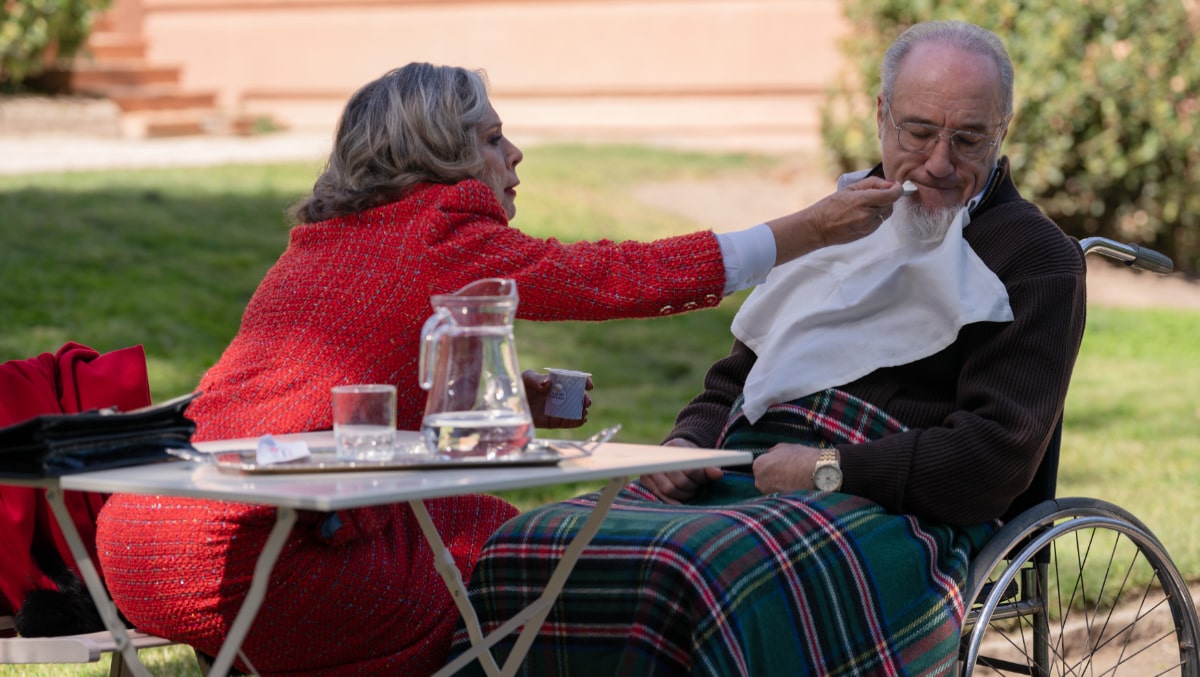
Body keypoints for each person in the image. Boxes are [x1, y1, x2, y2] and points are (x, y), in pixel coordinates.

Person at [92, 63, 902, 675]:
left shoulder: (320, 242)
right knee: (536, 569)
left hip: (135, 541)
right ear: (439, 155)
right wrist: (812, 227)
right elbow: (626, 275)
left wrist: (509, 391)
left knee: (487, 521)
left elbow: (334, 387)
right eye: (490, 138)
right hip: (252, 564)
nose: (514, 154)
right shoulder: (442, 230)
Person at [457, 20, 1087, 676]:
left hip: (898, 504)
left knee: (705, 579)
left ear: (1002, 130)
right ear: (881, 116)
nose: (938, 162)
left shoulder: (1035, 257)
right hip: (747, 467)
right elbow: (740, 372)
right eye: (920, 132)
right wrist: (686, 442)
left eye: (968, 139)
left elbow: (993, 456)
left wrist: (829, 466)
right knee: (529, 546)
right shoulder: (843, 217)